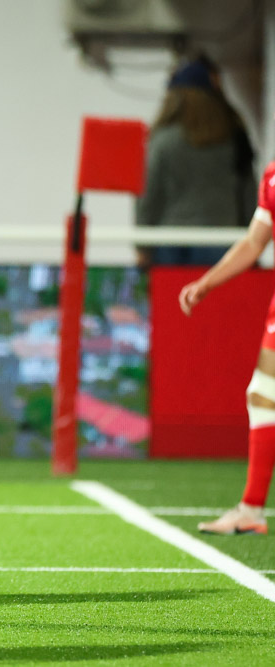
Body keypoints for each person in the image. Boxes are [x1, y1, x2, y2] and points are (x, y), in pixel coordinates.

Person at [177, 147, 275, 535]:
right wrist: (207, 282)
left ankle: (251, 509)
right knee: (263, 395)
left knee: (265, 395)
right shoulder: (272, 177)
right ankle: (251, 508)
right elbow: (254, 242)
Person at [136, 54, 255, 269]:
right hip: (222, 240)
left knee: (174, 293)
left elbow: (148, 196)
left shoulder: (163, 140)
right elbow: (249, 195)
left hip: (171, 243)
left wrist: (142, 246)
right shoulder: (234, 139)